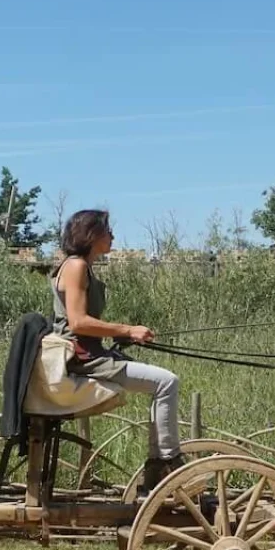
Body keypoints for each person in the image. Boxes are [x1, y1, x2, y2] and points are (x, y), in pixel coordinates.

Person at [51, 209, 186, 494]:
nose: (112, 236)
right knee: (166, 382)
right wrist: (127, 330)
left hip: (90, 352)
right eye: (107, 230)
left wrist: (122, 336)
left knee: (163, 383)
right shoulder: (75, 266)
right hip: (83, 358)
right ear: (91, 235)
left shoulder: (81, 266)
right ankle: (167, 462)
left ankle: (158, 465)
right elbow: (78, 321)